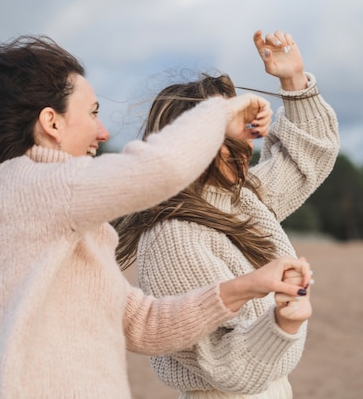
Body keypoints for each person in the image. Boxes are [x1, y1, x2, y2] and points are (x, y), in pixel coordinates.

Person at [0, 35, 313, 399]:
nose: (103, 131)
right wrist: (222, 111)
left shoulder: (54, 211)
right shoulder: (28, 189)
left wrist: (248, 286)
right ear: (51, 122)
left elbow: (142, 324)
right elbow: (161, 170)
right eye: (92, 113)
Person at [114, 29, 340, 399]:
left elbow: (305, 159)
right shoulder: (173, 235)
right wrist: (282, 322)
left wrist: (293, 80)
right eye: (238, 126)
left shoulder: (237, 198)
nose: (252, 137)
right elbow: (227, 367)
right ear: (199, 138)